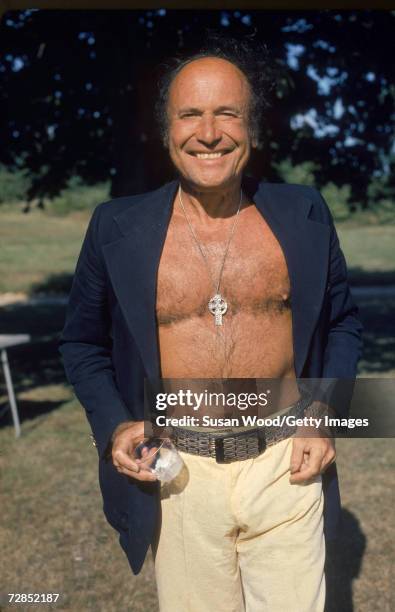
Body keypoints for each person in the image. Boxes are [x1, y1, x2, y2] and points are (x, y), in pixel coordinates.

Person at [59, 35, 362, 612]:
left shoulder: (304, 213)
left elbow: (343, 325)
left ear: (252, 126)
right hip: (179, 476)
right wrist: (118, 426)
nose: (209, 132)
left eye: (227, 113)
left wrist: (325, 417)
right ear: (166, 128)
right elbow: (82, 342)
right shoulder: (115, 227)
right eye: (190, 114)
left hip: (284, 467)